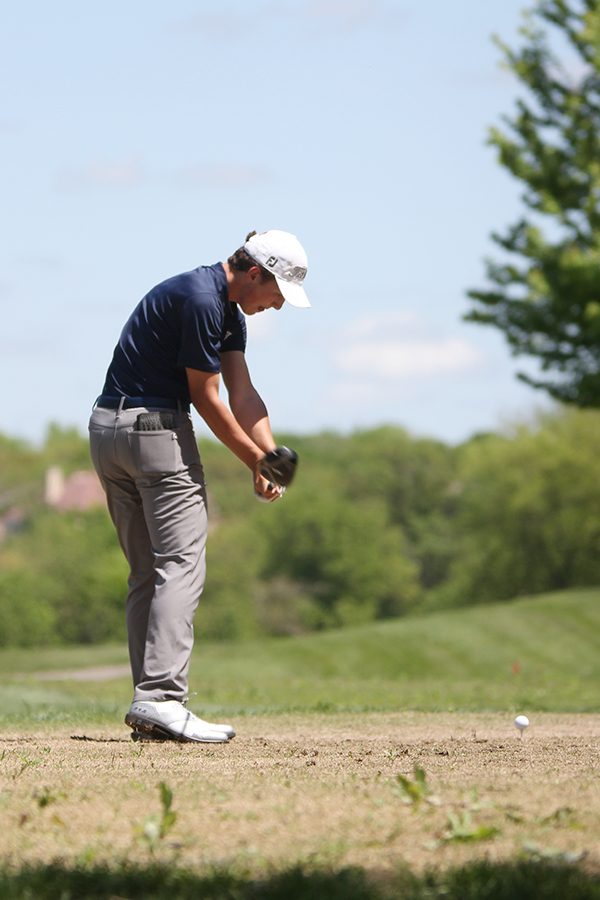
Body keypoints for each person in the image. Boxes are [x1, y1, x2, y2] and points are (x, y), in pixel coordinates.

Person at [88, 229, 310, 743]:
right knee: (180, 564)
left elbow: (243, 391)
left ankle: (150, 704)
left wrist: (270, 456)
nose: (277, 305)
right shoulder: (202, 300)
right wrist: (255, 461)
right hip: (155, 434)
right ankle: (163, 698)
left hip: (107, 433)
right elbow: (208, 399)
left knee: (148, 571)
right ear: (255, 272)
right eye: (277, 293)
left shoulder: (219, 305)